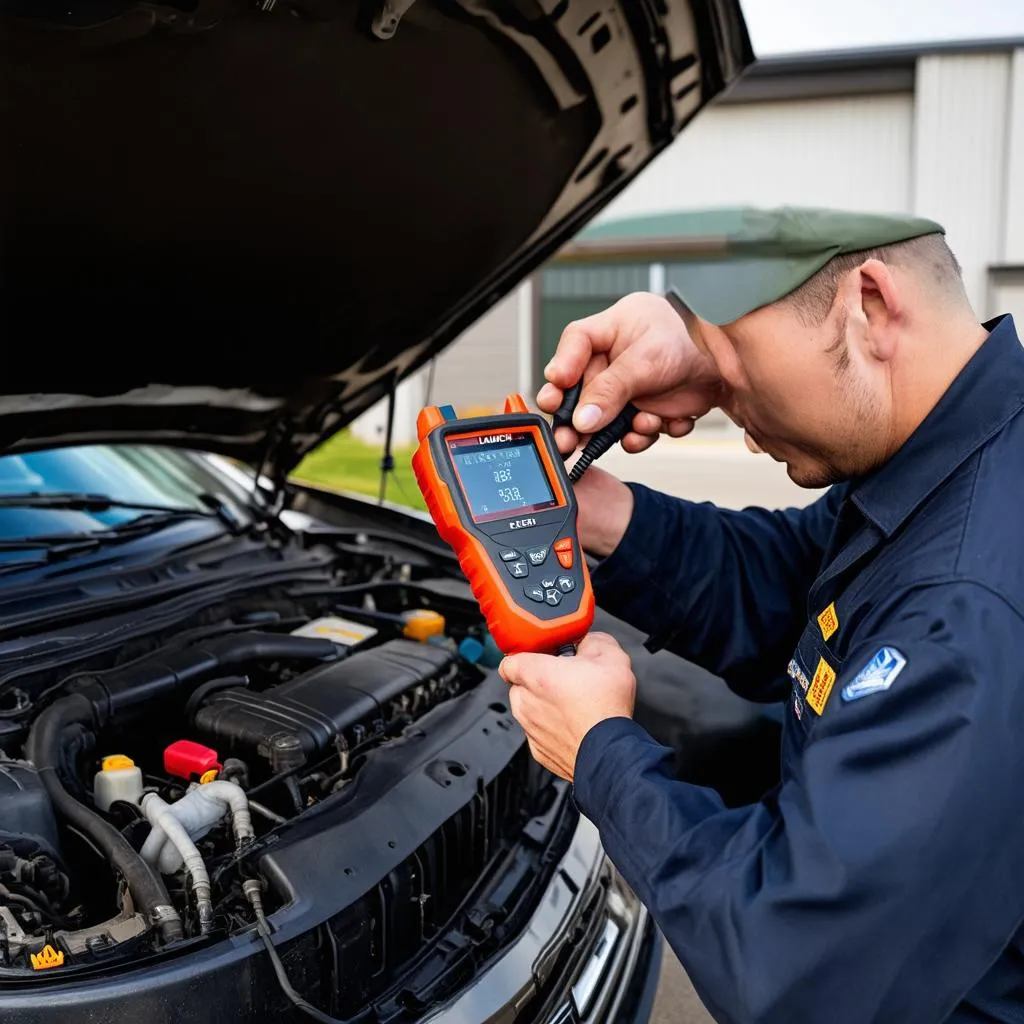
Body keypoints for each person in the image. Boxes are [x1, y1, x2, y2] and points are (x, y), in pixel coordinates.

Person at [498, 206, 1024, 1024]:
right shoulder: (954, 456)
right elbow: (793, 583)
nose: (740, 431)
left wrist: (600, 751)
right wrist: (602, 517)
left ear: (872, 307)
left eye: (736, 374)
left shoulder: (968, 604)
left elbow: (797, 969)